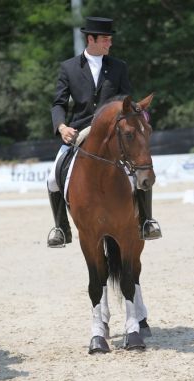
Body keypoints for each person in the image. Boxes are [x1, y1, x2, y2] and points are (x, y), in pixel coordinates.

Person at [47, 16, 161, 247]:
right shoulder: (69, 68)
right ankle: (61, 228)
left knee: (139, 169)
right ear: (92, 39)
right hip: (79, 131)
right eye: (106, 39)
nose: (110, 43)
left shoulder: (119, 67)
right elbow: (58, 103)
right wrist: (62, 127)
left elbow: (126, 101)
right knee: (52, 178)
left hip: (112, 132)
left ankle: (146, 221)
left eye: (110, 39)